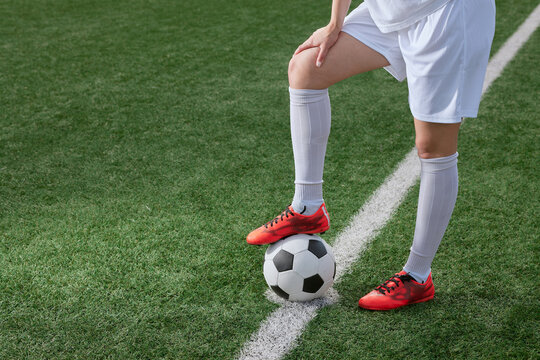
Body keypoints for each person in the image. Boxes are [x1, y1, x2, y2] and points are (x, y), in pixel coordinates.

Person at [246, 0, 496, 310]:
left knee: (433, 147)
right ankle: (308, 206)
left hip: (445, 14)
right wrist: (335, 23)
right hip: (392, 8)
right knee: (306, 67)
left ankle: (417, 276)